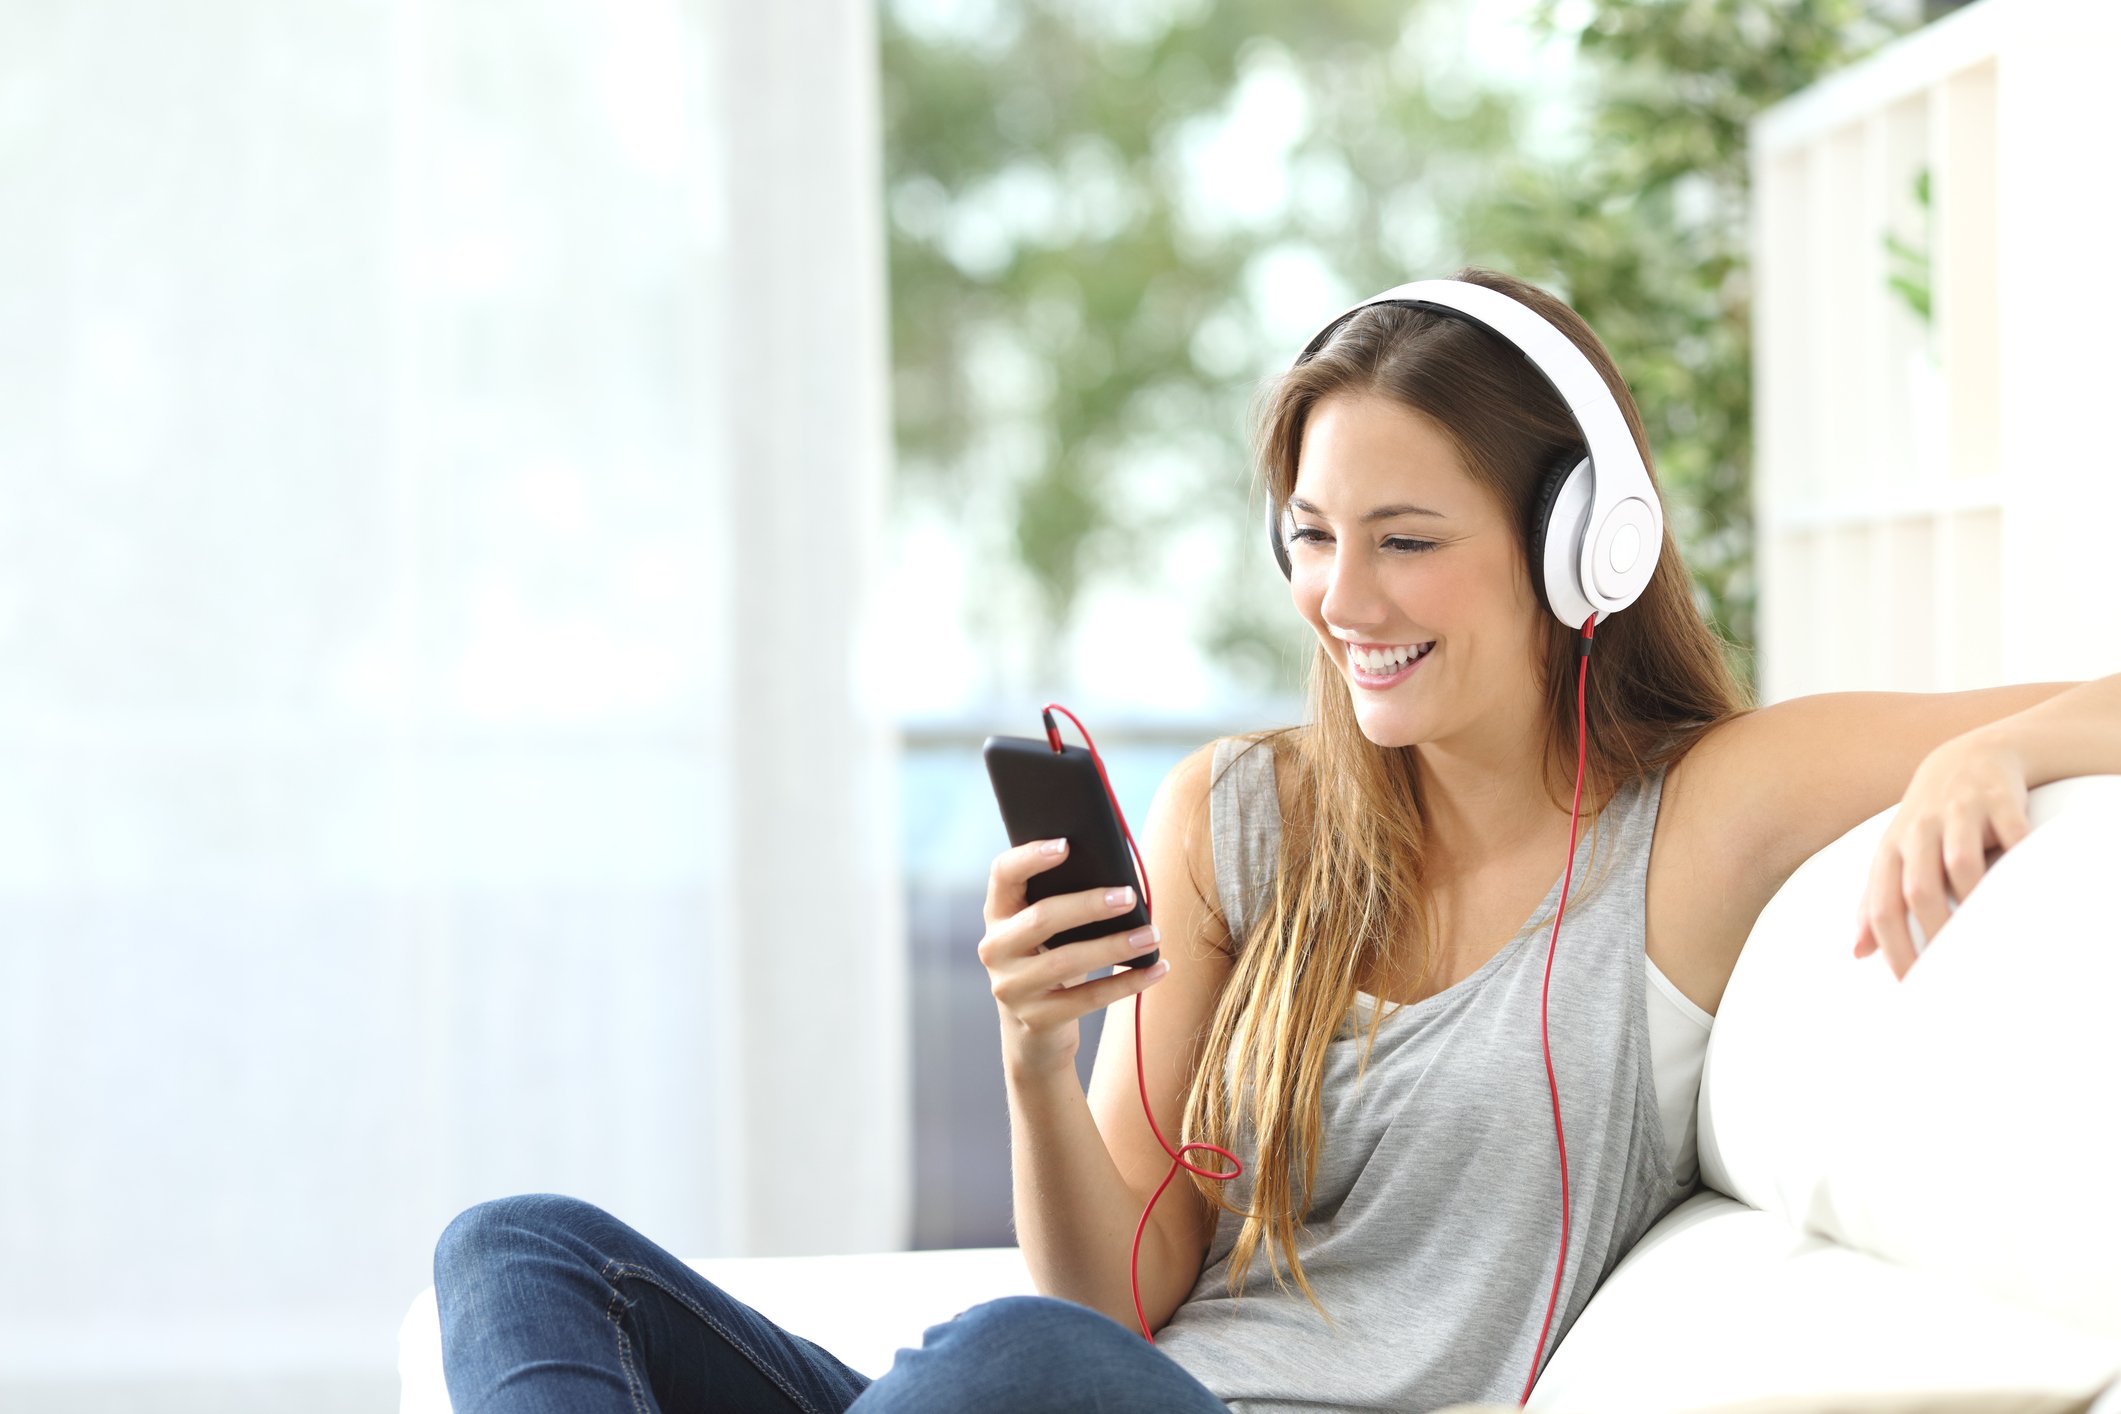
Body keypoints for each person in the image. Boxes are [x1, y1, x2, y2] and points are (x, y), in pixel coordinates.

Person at [431, 266, 2107, 1413]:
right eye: (1309, 536)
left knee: (1008, 1360)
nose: (1340, 599)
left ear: (1579, 547)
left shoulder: (1696, 812)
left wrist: (1998, 746)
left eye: (1404, 539)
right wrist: (1034, 1055)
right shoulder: (1239, 817)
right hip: (1091, 1390)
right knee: (517, 1250)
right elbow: (1114, 1305)